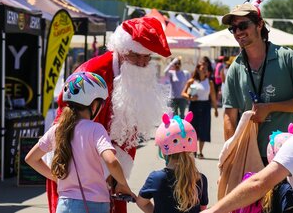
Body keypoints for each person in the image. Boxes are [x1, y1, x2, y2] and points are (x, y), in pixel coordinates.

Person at [47, 17, 172, 213]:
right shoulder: (92, 74)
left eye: (146, 57)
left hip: (113, 172)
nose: (141, 62)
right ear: (121, 51)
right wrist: (102, 173)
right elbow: (68, 127)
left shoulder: (137, 77)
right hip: (78, 171)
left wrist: (116, 176)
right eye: (134, 55)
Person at [221, 0, 293, 164]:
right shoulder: (235, 67)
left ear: (259, 24)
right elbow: (229, 117)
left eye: (243, 25)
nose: (238, 32)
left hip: (287, 153)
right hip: (248, 155)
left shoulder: (286, 57)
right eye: (234, 29)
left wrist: (270, 107)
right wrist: (230, 157)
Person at [26, 72, 135, 213]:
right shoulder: (96, 129)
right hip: (95, 205)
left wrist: (56, 178)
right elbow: (112, 161)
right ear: (94, 105)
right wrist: (122, 184)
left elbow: (31, 159)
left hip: (64, 205)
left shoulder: (57, 129)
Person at [136, 112, 208, 213]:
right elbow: (203, 209)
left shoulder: (156, 178)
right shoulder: (200, 179)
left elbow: (141, 202)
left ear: (162, 149)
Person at [181, 61, 219, 158]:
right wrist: (190, 97)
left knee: (204, 128)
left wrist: (215, 109)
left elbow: (213, 96)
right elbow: (183, 93)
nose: (205, 70)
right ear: (198, 69)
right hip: (194, 105)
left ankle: (200, 151)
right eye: (203, 68)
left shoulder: (209, 82)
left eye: (206, 69)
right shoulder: (192, 81)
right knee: (193, 129)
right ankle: (193, 150)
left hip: (205, 105)